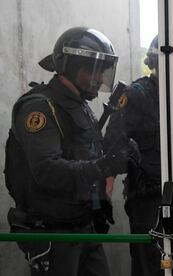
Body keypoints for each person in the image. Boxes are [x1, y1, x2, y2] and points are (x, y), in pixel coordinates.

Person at [5, 27, 136, 276]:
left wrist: (119, 150)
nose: (99, 78)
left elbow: (85, 155)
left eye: (101, 71)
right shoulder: (41, 108)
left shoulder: (78, 105)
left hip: (83, 226)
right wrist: (105, 166)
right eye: (92, 70)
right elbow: (46, 170)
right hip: (54, 232)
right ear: (71, 66)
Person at [104, 35, 163, 276]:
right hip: (147, 198)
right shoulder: (137, 94)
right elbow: (112, 143)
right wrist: (106, 187)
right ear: (154, 61)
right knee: (148, 264)